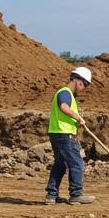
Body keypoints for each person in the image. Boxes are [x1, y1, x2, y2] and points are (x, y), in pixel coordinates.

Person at [45, 67, 96, 205]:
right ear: (78, 80)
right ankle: (76, 194)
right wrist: (78, 117)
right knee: (77, 163)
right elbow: (63, 107)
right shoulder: (65, 92)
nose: (84, 88)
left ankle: (51, 195)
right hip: (64, 134)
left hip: (56, 133)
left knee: (60, 164)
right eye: (85, 85)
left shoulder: (64, 93)